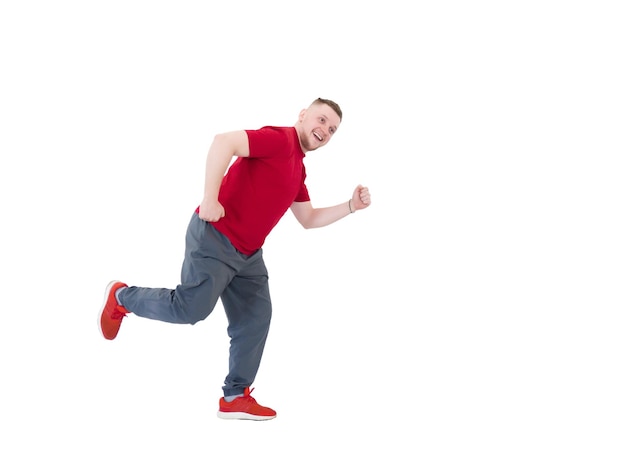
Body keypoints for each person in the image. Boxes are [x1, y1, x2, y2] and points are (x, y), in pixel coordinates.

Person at [98, 98, 371, 421]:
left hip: (248, 255)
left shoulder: (298, 169)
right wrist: (210, 198)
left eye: (332, 129)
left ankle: (234, 396)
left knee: (256, 318)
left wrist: (350, 207)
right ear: (302, 115)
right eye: (322, 119)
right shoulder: (278, 140)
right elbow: (223, 142)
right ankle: (121, 296)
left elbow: (308, 219)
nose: (325, 130)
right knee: (190, 309)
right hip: (215, 238)